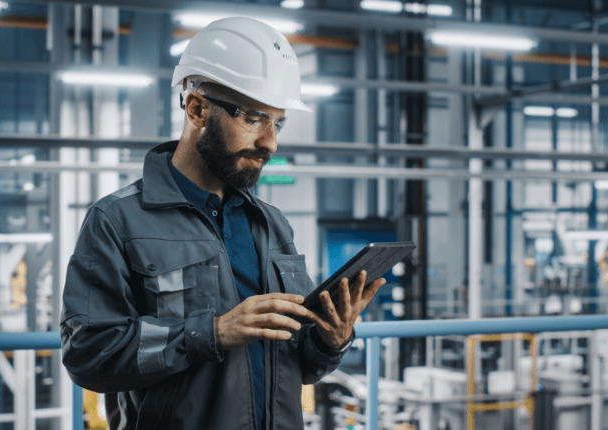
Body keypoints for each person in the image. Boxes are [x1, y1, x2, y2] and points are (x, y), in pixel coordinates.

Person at [60, 17, 386, 430]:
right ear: (197, 109)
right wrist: (211, 333)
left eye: (278, 122)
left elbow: (299, 364)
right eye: (254, 118)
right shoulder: (117, 222)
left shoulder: (272, 225)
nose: (270, 142)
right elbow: (89, 357)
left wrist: (330, 339)